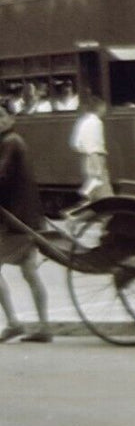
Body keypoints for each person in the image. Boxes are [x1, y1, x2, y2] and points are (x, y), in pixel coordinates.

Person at [0, 107, 53, 343]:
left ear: (11, 119)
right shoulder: (14, 141)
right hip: (29, 217)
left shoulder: (10, 141)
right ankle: (44, 326)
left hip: (17, 221)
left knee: (27, 271)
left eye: (1, 117)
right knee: (29, 271)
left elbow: (1, 176)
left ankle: (13, 322)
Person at [70, 96, 112, 201]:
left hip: (85, 158)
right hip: (96, 157)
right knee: (102, 189)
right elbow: (95, 145)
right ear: (100, 108)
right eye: (104, 108)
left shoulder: (82, 121)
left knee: (95, 188)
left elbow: (75, 143)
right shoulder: (97, 122)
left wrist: (85, 152)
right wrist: (97, 164)